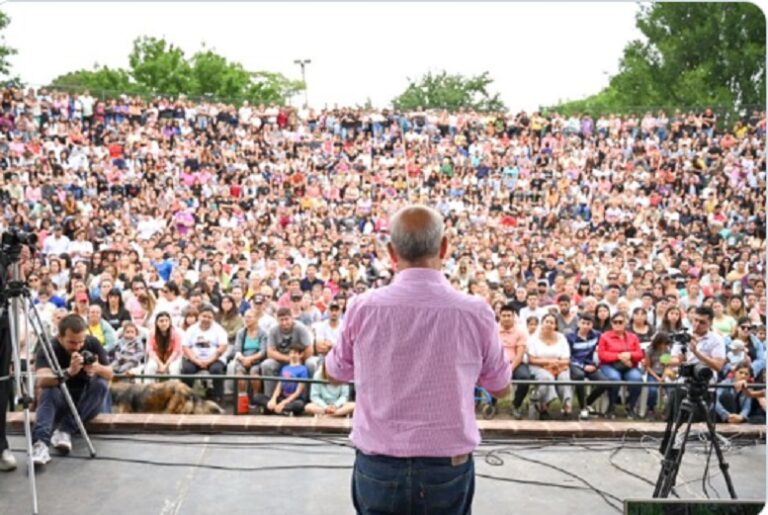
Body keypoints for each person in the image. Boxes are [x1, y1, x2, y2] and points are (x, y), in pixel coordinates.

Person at [326, 205, 511, 515]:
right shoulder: (475, 311)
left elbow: (334, 373)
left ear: (391, 252)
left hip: (379, 464)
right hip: (447, 466)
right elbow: (502, 387)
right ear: (444, 247)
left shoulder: (362, 307)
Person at [30, 314, 113, 466]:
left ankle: (65, 430)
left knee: (100, 384)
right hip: (60, 400)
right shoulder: (49, 347)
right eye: (72, 342)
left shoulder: (92, 343)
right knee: (49, 390)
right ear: (60, 337)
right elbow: (42, 380)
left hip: (84, 404)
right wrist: (68, 372)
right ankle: (40, 444)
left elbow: (109, 373)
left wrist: (96, 368)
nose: (77, 346)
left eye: (81, 342)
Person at [260, 308, 317, 400]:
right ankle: (270, 398)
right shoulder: (273, 330)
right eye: (281, 320)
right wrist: (289, 359)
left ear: (292, 318)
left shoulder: (300, 328)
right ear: (277, 320)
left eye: (286, 319)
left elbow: (310, 350)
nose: (284, 322)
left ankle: (310, 398)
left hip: (300, 358)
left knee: (311, 364)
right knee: (266, 364)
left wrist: (297, 359)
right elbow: (270, 352)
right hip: (282, 359)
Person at [597, 312, 644, 419]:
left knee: (636, 378)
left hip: (629, 366)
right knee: (614, 378)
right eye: (615, 322)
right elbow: (602, 355)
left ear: (625, 323)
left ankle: (630, 406)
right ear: (611, 323)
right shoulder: (605, 337)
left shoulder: (633, 337)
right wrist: (619, 356)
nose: (618, 324)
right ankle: (612, 405)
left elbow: (640, 354)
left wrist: (629, 355)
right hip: (609, 365)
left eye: (621, 322)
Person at [527, 313, 572, 419]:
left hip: (559, 366)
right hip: (539, 366)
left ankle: (567, 406)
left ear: (555, 325)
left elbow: (566, 359)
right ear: (542, 323)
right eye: (546, 321)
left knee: (564, 377)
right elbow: (532, 359)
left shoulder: (561, 338)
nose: (549, 324)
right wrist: (549, 362)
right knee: (547, 377)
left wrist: (556, 364)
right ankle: (544, 407)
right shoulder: (533, 338)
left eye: (552, 322)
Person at [180, 304, 229, 403]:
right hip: (194, 358)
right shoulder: (192, 329)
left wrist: (209, 361)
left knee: (216, 370)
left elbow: (222, 347)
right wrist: (196, 360)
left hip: (214, 359)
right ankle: (187, 397)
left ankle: (217, 397)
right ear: (199, 316)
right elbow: (185, 346)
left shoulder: (219, 329)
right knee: (187, 369)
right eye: (204, 316)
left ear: (213, 318)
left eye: (209, 317)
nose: (206, 319)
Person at [566, 313, 610, 420]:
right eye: (583, 323)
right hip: (574, 364)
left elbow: (601, 352)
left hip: (590, 364)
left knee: (605, 383)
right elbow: (568, 356)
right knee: (579, 376)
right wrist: (582, 366)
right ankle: (583, 409)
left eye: (588, 324)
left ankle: (586, 404)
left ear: (592, 325)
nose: (585, 326)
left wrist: (595, 365)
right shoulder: (570, 337)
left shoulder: (597, 335)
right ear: (578, 323)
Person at [252, 343, 308, 416]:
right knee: (257, 397)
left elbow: (298, 392)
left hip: (293, 400)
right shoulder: (284, 368)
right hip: (281, 398)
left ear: (301, 355)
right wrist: (273, 399)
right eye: (291, 353)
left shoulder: (303, 369)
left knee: (299, 405)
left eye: (295, 353)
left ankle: (274, 410)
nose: (292, 355)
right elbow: (279, 386)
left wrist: (283, 403)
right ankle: (281, 410)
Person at [498, 304, 531, 419]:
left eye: (509, 315)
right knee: (488, 374)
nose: (506, 318)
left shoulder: (520, 331)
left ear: (514, 317)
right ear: (499, 316)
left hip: (515, 363)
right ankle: (490, 404)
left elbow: (520, 354)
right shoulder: (492, 330)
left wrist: (510, 368)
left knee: (525, 378)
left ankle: (516, 405)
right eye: (504, 315)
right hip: (497, 363)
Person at [232, 309, 268, 399]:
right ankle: (242, 398)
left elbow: (263, 352)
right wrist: (243, 359)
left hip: (257, 360)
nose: (246, 319)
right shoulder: (241, 332)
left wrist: (250, 359)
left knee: (254, 373)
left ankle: (256, 398)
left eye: (249, 317)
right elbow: (237, 350)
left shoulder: (263, 333)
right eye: (245, 317)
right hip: (242, 359)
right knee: (239, 373)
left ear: (256, 318)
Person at [643, 332, 674, 419]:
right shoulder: (650, 350)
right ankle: (650, 408)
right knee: (652, 390)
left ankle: (667, 410)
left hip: (664, 373)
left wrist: (663, 376)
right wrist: (657, 377)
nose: (663, 346)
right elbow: (648, 367)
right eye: (662, 344)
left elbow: (666, 365)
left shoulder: (667, 350)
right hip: (652, 373)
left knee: (671, 390)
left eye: (665, 344)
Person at [145, 312, 183, 379]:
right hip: (157, 357)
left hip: (173, 358)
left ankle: (173, 388)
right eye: (161, 321)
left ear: (170, 322)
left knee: (174, 368)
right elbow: (150, 350)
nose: (164, 323)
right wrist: (160, 364)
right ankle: (149, 387)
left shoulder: (176, 333)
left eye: (166, 321)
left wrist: (166, 365)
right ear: (157, 322)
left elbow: (176, 351)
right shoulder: (151, 333)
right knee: (151, 367)